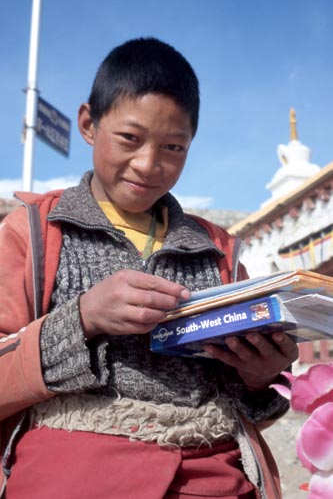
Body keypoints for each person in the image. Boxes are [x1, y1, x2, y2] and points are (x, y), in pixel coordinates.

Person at [0, 37, 298, 499]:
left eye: (174, 147)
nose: (149, 164)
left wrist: (259, 373)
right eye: (130, 139)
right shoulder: (35, 233)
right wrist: (83, 317)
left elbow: (254, 403)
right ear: (87, 123)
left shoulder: (217, 249)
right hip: (71, 471)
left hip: (210, 472)